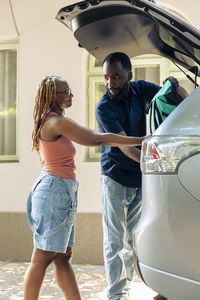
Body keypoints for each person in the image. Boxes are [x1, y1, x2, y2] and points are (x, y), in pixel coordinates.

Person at [23, 75, 146, 300]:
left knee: (62, 257)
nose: (71, 95)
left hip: (61, 190)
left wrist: (133, 142)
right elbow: (96, 139)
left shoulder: (53, 120)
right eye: (65, 91)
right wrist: (143, 140)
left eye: (69, 90)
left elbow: (103, 140)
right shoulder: (55, 122)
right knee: (41, 258)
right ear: (52, 95)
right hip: (54, 191)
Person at [95, 52, 187, 300]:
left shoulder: (141, 90)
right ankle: (116, 294)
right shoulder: (104, 107)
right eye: (106, 78)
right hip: (114, 177)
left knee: (132, 240)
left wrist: (175, 88)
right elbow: (126, 147)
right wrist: (158, 166)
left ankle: (126, 289)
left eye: (115, 76)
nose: (110, 83)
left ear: (129, 75)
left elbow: (169, 99)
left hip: (138, 178)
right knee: (115, 240)